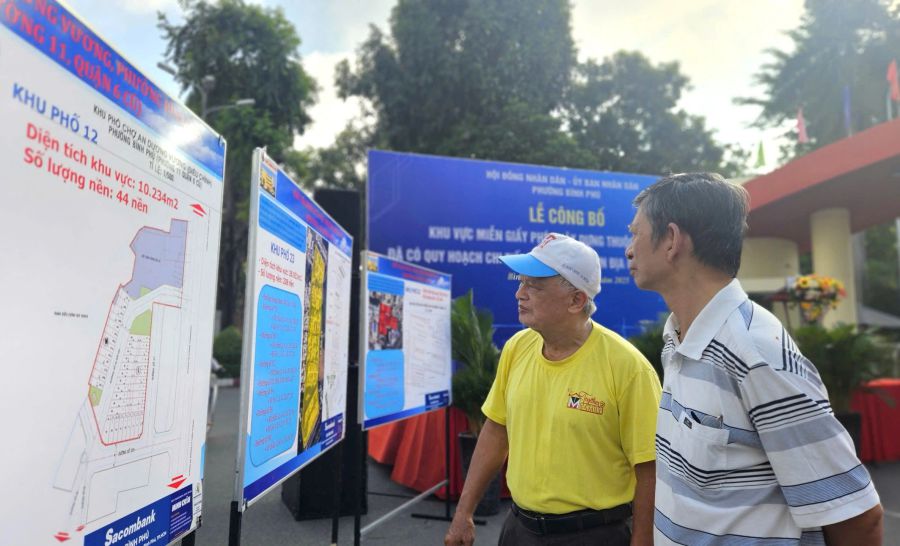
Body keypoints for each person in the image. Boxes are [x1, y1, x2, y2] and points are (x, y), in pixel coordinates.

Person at [625, 172, 884, 545]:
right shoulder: (678, 339)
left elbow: (857, 518)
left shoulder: (755, 354)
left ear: (671, 240)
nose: (629, 249)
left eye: (636, 233)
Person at [445, 233, 661, 546]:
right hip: (519, 530)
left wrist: (642, 541)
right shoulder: (517, 348)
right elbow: (495, 431)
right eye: (521, 283)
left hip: (594, 535)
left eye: (535, 285)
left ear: (577, 300)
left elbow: (649, 468)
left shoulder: (628, 368)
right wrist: (463, 512)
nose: (520, 293)